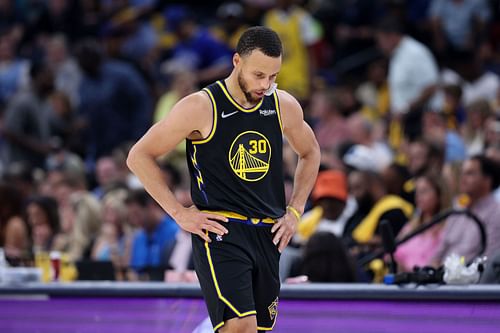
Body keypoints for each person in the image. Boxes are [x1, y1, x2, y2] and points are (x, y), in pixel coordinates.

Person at [127, 26, 320, 332]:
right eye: (259, 75)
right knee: (240, 326)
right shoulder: (200, 107)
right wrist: (179, 213)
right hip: (221, 231)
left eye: (273, 76)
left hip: (268, 234)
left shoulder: (282, 104)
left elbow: (310, 153)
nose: (266, 84)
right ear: (236, 62)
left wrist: (295, 211)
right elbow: (139, 156)